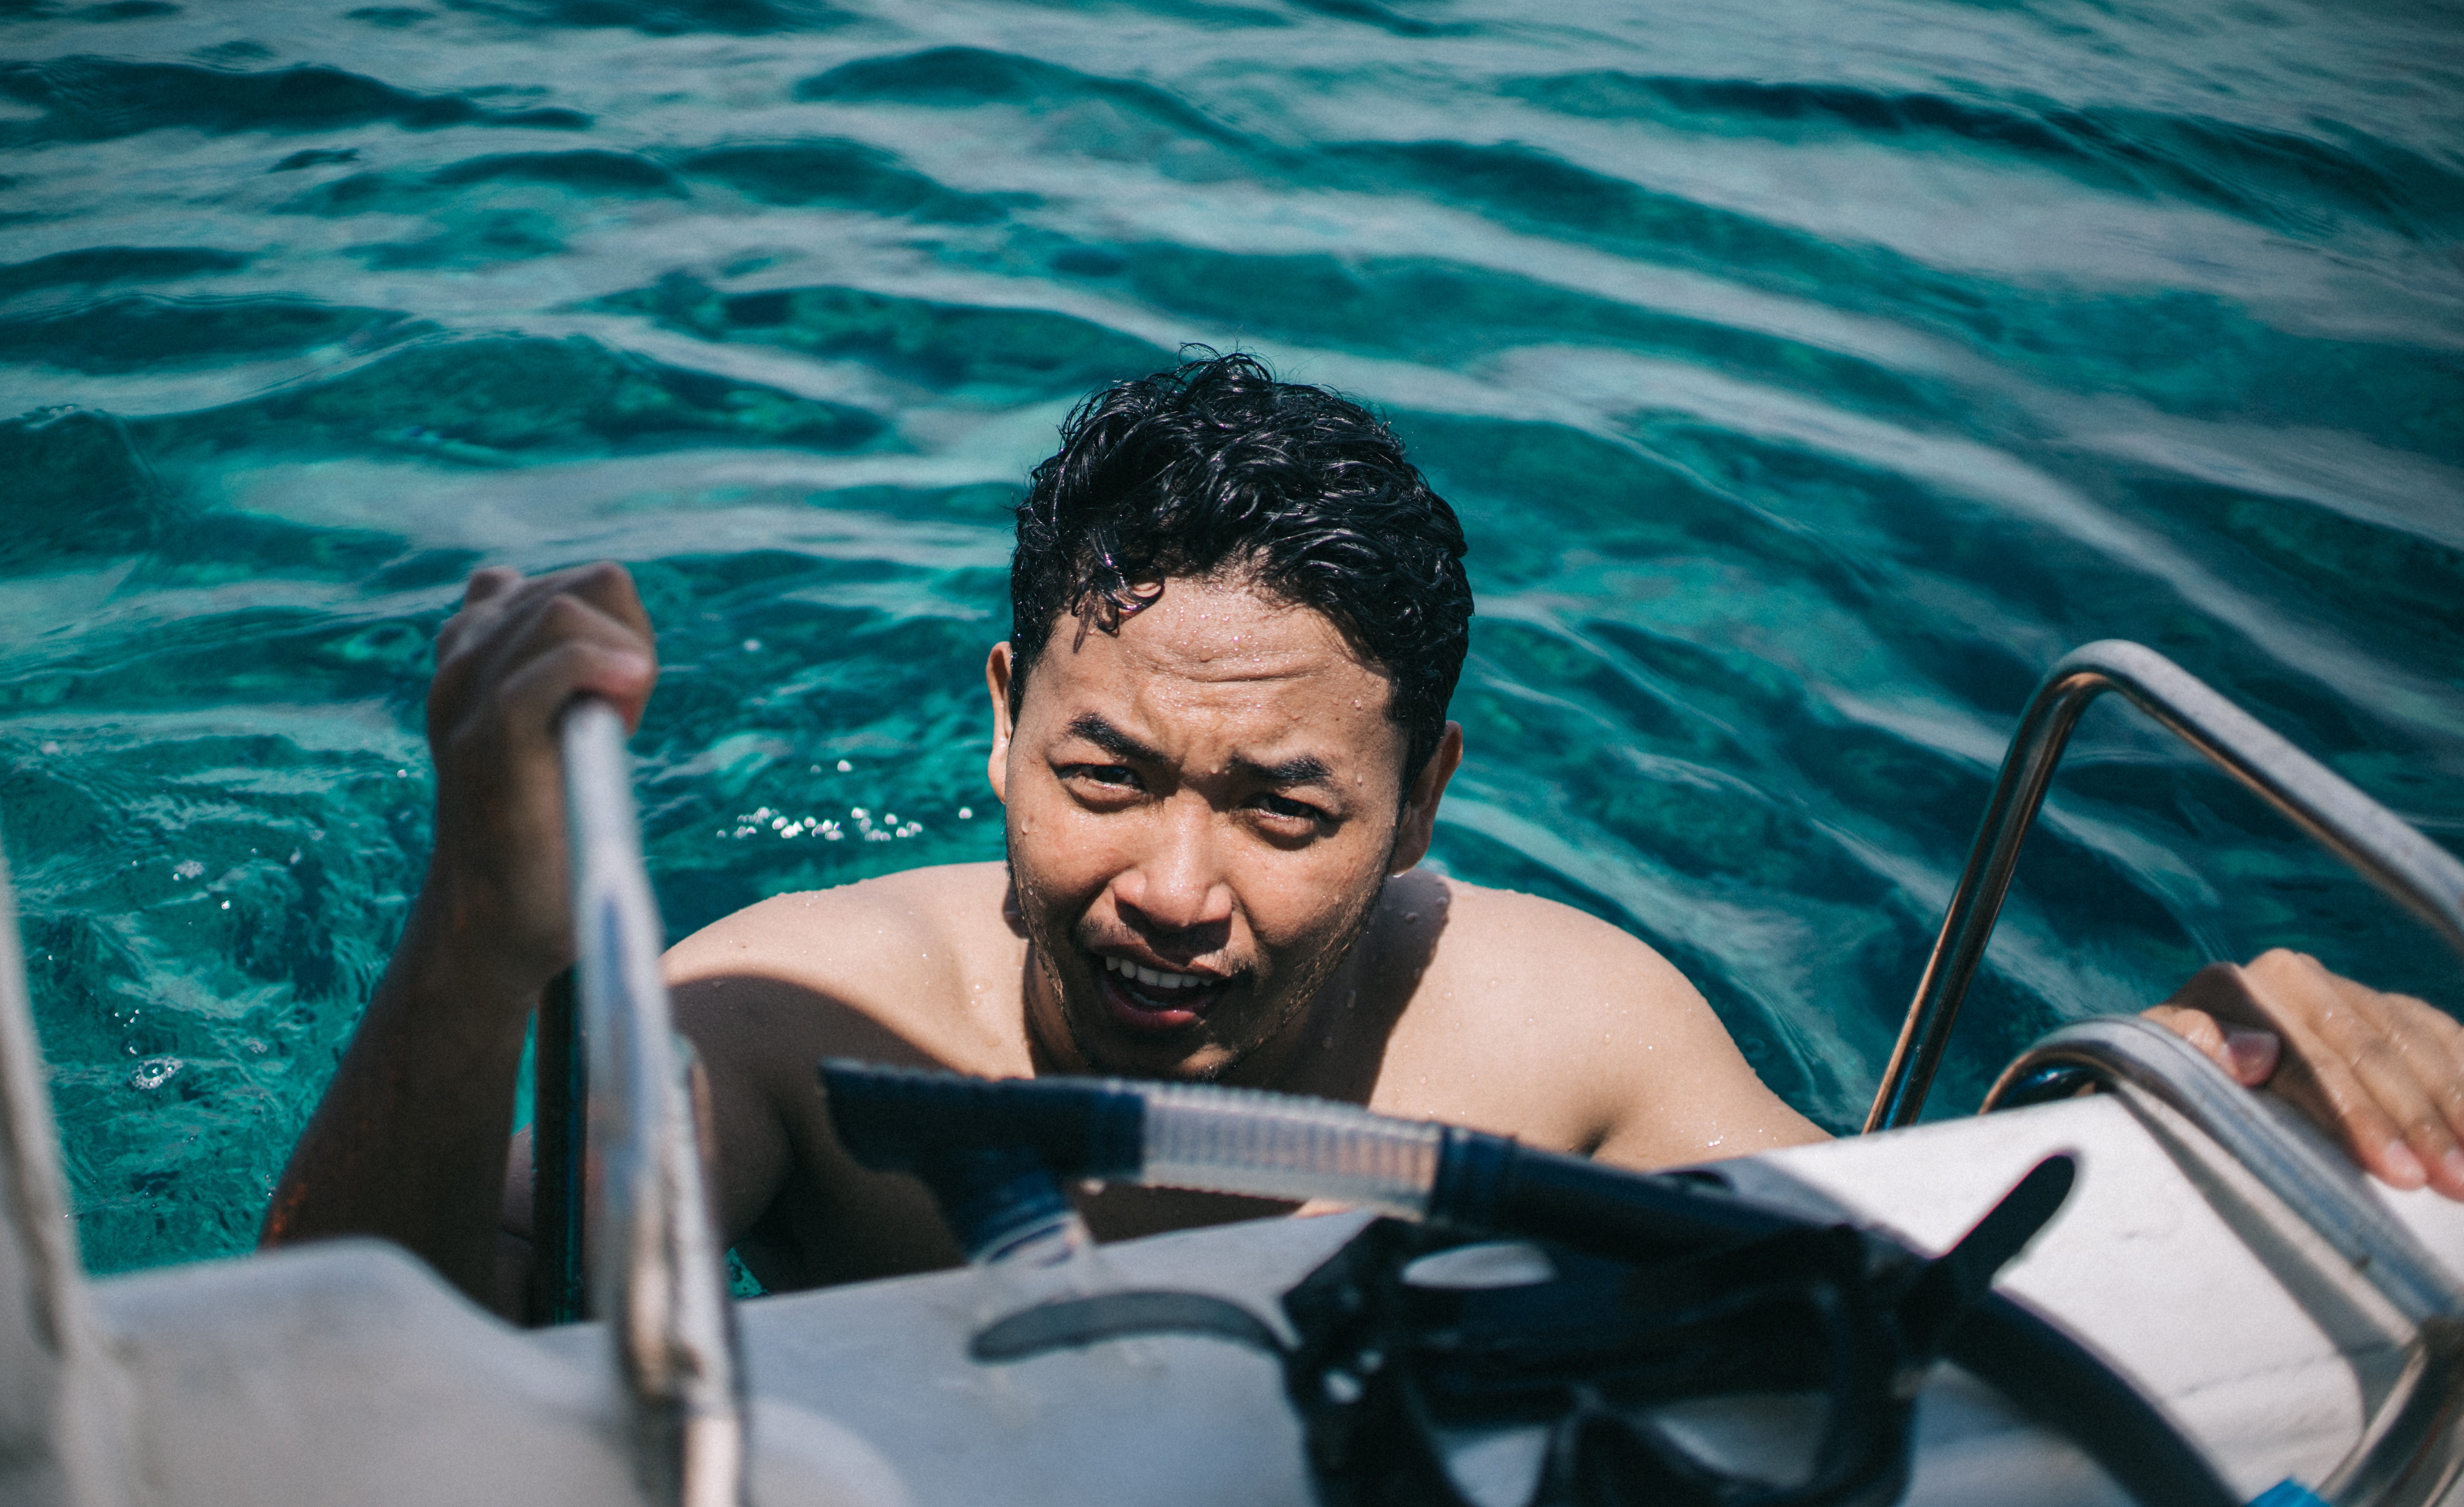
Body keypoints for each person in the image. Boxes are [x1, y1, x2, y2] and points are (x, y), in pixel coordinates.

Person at [261, 354, 2464, 1319]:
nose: (1171, 889)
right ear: (1000, 721)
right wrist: (478, 930)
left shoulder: (1560, 1034)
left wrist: (2186, 1067)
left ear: (1424, 802)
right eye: (1109, 775)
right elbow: (381, 1351)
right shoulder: (787, 1020)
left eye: (1282, 806)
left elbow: (1895, 1279)